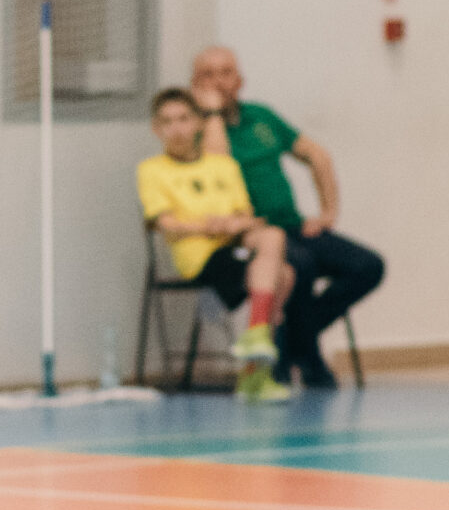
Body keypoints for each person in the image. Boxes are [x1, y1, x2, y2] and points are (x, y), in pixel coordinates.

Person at [188, 47, 381, 388]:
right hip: (248, 236)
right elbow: (218, 167)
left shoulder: (261, 116)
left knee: (367, 266)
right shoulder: (193, 127)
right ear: (194, 84)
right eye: (208, 74)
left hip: (293, 226)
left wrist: (327, 213)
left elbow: (317, 156)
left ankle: (292, 344)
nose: (218, 81)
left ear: (240, 80)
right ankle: (307, 358)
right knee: (300, 265)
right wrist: (212, 113)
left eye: (226, 73)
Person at [138, 87, 292, 402]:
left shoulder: (223, 166)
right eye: (167, 122)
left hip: (235, 248)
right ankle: (254, 374)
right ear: (156, 129)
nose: (177, 129)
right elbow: (166, 224)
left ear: (198, 122)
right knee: (281, 275)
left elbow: (246, 215)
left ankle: (255, 347)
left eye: (183, 119)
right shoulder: (152, 170)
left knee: (275, 244)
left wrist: (233, 224)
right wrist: (208, 226)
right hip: (201, 259)